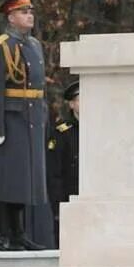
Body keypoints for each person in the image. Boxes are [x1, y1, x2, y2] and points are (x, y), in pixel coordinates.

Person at [0, 0, 52, 251]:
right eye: (23, 12)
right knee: (5, 179)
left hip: (30, 119)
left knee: (24, 179)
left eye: (31, 11)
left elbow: (39, 86)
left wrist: (41, 116)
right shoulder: (0, 47)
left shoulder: (34, 45)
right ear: (11, 17)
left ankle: (18, 232)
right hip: (10, 120)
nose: (29, 15)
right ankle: (2, 233)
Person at [46, 78, 81, 242]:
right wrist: (58, 204)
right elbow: (54, 172)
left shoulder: (100, 129)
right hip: (69, 197)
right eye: (81, 99)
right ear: (72, 104)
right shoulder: (62, 132)